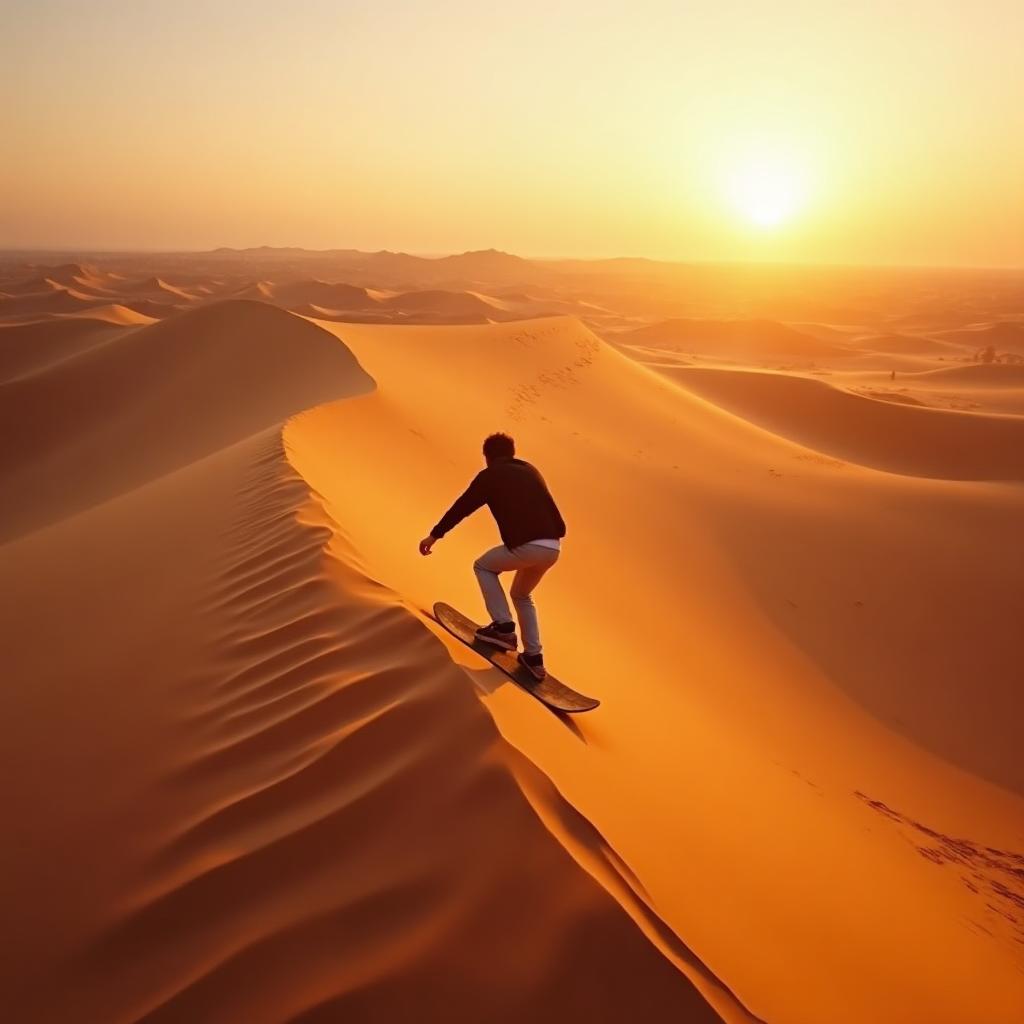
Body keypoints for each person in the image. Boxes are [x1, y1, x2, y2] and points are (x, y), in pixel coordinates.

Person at [419, 433, 565, 681]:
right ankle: (533, 656)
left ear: (487, 456)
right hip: (553, 547)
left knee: (483, 566)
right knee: (521, 595)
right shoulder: (529, 469)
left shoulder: (490, 476)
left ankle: (503, 627)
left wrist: (435, 535)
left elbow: (462, 507)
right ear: (512, 452)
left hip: (528, 546)